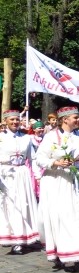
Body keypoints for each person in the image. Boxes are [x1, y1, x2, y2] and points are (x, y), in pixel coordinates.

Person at [36, 106, 79, 272]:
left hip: (77, 179)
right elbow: (39, 158)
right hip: (57, 181)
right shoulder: (51, 137)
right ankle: (63, 254)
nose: (78, 120)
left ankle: (77, 251)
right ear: (64, 119)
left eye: (78, 117)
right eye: (75, 117)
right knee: (62, 216)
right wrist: (56, 163)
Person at [0, 109, 40, 255]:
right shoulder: (1, 138)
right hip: (6, 175)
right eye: (12, 120)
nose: (15, 122)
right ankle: (12, 238)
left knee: (23, 205)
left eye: (17, 119)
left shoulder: (26, 138)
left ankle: (22, 238)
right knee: (9, 206)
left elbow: (33, 158)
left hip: (22, 174)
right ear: (5, 121)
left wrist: (38, 176)